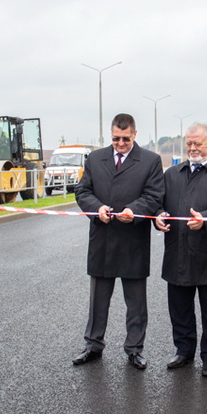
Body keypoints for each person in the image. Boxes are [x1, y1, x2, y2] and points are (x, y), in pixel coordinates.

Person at [72, 113, 165, 370]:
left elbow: (154, 195)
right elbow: (82, 191)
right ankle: (93, 344)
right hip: (102, 239)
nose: (120, 143)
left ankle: (134, 349)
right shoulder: (95, 159)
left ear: (135, 134)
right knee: (98, 299)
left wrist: (134, 210)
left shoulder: (150, 161)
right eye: (115, 138)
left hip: (132, 240)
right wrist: (96, 208)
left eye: (125, 138)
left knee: (136, 302)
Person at [154, 123, 207, 377]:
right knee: (179, 308)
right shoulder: (171, 174)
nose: (192, 148)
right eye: (189, 143)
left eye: (198, 144)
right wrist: (157, 217)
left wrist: (206, 218)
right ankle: (183, 350)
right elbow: (158, 203)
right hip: (177, 252)